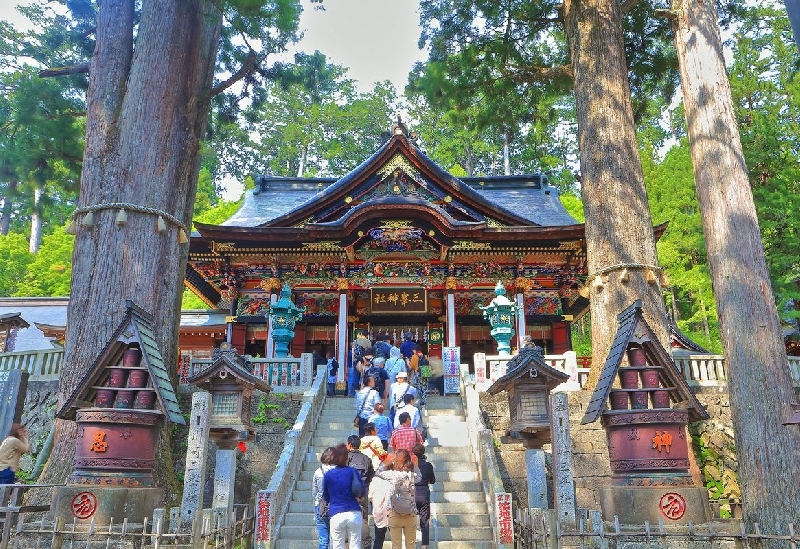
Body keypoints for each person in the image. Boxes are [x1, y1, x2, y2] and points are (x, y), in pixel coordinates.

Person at [375, 449, 422, 549]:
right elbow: (420, 478)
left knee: (396, 545)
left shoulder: (392, 474)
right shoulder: (413, 475)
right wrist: (416, 465)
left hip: (394, 513)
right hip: (411, 513)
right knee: (411, 545)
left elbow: (378, 473)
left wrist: (386, 461)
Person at [322, 443, 364, 549]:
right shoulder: (352, 471)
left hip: (336, 513)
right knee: (355, 545)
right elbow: (362, 490)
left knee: (337, 545)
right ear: (347, 457)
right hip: (353, 512)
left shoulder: (328, 475)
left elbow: (326, 497)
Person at [347, 435, 375, 549]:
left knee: (348, 518)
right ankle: (365, 543)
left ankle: (348, 543)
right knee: (363, 518)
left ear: (349, 445)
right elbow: (371, 475)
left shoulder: (345, 458)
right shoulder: (366, 458)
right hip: (363, 493)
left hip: (348, 493)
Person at [368, 453, 394, 549]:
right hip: (392, 512)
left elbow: (370, 496)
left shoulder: (375, 480)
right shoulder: (394, 478)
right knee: (396, 540)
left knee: (378, 539)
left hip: (379, 512)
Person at [412, 443, 436, 549]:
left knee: (411, 519)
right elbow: (433, 481)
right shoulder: (428, 465)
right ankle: (424, 544)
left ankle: (410, 541)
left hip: (412, 493)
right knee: (424, 519)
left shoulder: (410, 465)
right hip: (424, 493)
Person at [312, 447, 336, 549]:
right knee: (335, 538)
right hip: (335, 506)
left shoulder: (318, 472)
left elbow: (314, 493)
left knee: (323, 538)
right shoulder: (338, 472)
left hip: (320, 506)